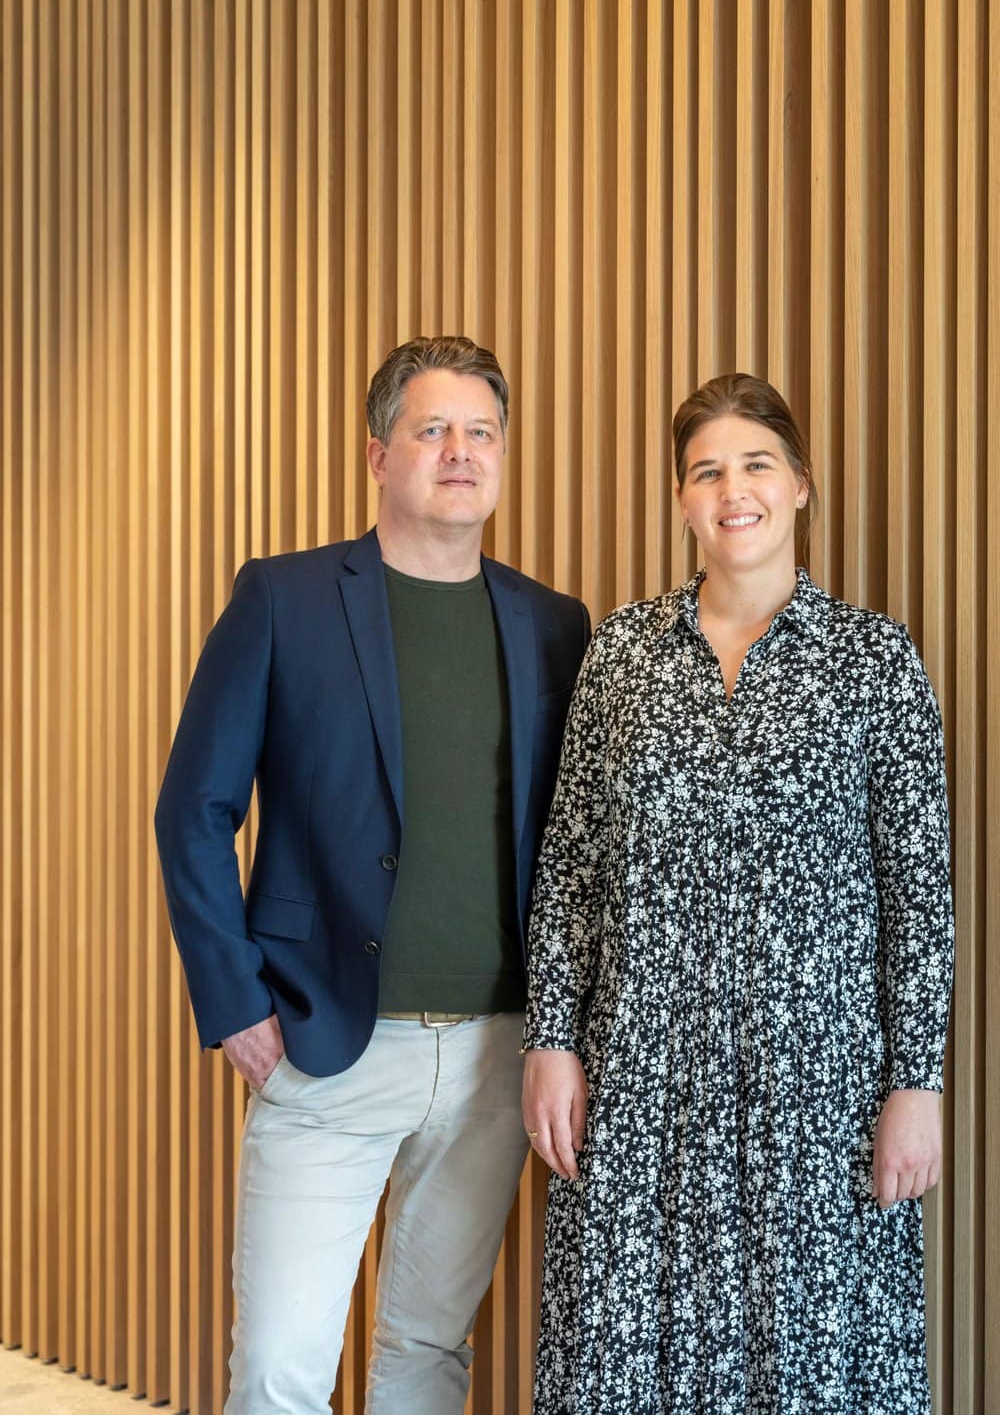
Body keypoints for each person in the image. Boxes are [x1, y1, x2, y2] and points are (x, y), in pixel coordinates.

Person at [154, 335, 590, 1415]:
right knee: (279, 1369)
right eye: (431, 429)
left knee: (428, 1353)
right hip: (327, 1044)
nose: (459, 452)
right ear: (377, 454)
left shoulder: (553, 625)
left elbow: (575, 843)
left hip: (495, 1054)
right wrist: (235, 1004)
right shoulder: (284, 598)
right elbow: (193, 810)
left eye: (480, 432)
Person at [522, 373, 954, 1413]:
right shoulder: (622, 654)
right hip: (639, 1080)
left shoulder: (874, 661)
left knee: (807, 1363)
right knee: (628, 1358)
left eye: (756, 464)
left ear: (800, 484)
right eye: (705, 471)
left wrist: (918, 1083)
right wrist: (550, 1039)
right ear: (681, 499)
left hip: (820, 1090)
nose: (733, 490)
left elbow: (919, 894)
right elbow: (570, 864)